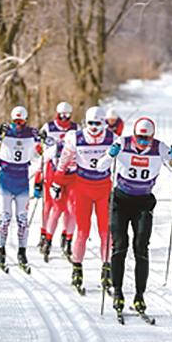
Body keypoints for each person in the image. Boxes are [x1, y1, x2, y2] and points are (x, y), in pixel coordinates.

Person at [98, 117, 172, 314]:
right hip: (120, 200)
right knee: (119, 246)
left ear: (152, 137)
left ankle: (139, 295)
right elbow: (101, 166)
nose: (142, 142)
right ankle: (117, 291)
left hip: (143, 202)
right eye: (139, 137)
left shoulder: (160, 148)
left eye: (147, 138)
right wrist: (110, 155)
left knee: (141, 247)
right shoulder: (122, 143)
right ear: (134, 134)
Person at [54, 106, 118, 293]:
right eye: (90, 123)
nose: (94, 127)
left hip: (104, 189)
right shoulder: (75, 138)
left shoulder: (112, 139)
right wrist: (56, 183)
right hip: (82, 188)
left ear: (104, 123)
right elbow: (63, 161)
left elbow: (122, 161)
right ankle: (77, 269)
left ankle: (106, 269)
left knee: (106, 232)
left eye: (98, 123)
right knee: (82, 231)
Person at [0, 105, 40, 273]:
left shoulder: (31, 132)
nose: (18, 124)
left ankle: (22, 253)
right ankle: (1, 251)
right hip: (6, 180)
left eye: (21, 120)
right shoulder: (6, 131)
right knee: (5, 218)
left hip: (22, 180)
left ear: (26, 120)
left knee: (23, 219)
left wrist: (43, 137)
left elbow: (48, 144)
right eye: (15, 120)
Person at [35, 102, 79, 261]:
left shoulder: (76, 128)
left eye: (68, 115)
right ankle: (45, 236)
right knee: (52, 207)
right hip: (54, 173)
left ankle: (67, 239)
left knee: (72, 209)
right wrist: (38, 179)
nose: (65, 118)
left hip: (73, 176)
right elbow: (40, 152)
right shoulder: (49, 127)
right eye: (62, 115)